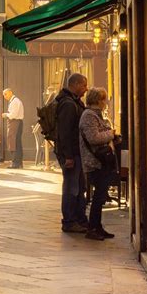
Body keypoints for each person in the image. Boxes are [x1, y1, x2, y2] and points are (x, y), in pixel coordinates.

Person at [79, 86, 116, 240]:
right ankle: (93, 228)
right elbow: (94, 138)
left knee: (101, 196)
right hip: (94, 162)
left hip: (100, 162)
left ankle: (97, 226)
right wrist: (110, 134)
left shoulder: (96, 115)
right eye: (103, 99)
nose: (106, 102)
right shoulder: (89, 116)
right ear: (97, 100)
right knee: (98, 196)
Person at [55, 72, 89, 233]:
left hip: (76, 153)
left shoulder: (74, 102)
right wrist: (68, 156)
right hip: (72, 154)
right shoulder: (68, 104)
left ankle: (79, 218)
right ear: (75, 85)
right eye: (83, 85)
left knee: (79, 186)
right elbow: (65, 132)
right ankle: (69, 221)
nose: (86, 89)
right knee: (71, 188)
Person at [2, 88, 24, 168]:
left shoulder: (15, 101)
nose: (4, 96)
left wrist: (5, 115)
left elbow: (13, 115)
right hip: (17, 123)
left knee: (13, 142)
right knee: (17, 143)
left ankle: (15, 163)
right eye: (4, 95)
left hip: (15, 122)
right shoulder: (14, 101)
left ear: (11, 92)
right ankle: (18, 163)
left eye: (5, 94)